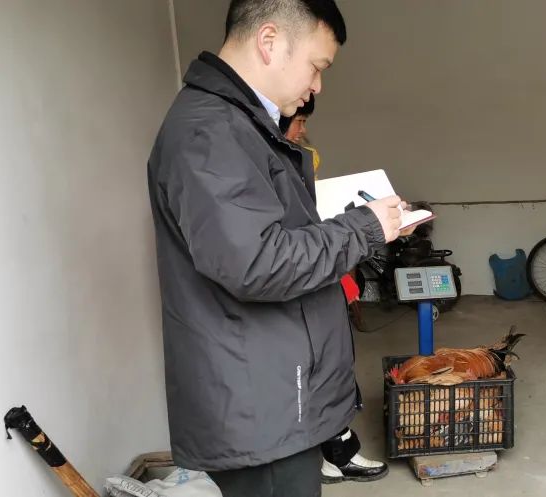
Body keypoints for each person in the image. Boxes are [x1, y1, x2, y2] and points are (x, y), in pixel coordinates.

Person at [146, 1, 409, 496]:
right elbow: (257, 263)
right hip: (259, 409)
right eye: (316, 65)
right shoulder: (210, 133)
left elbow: (261, 237)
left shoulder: (242, 126)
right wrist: (362, 229)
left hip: (272, 395)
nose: (318, 85)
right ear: (269, 42)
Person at [279, 94, 389, 484]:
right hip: (299, 288)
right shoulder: (266, 168)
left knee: (333, 367)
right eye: (299, 122)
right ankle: (333, 454)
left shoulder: (298, 157)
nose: (303, 130)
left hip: (320, 278)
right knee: (318, 372)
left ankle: (337, 449)